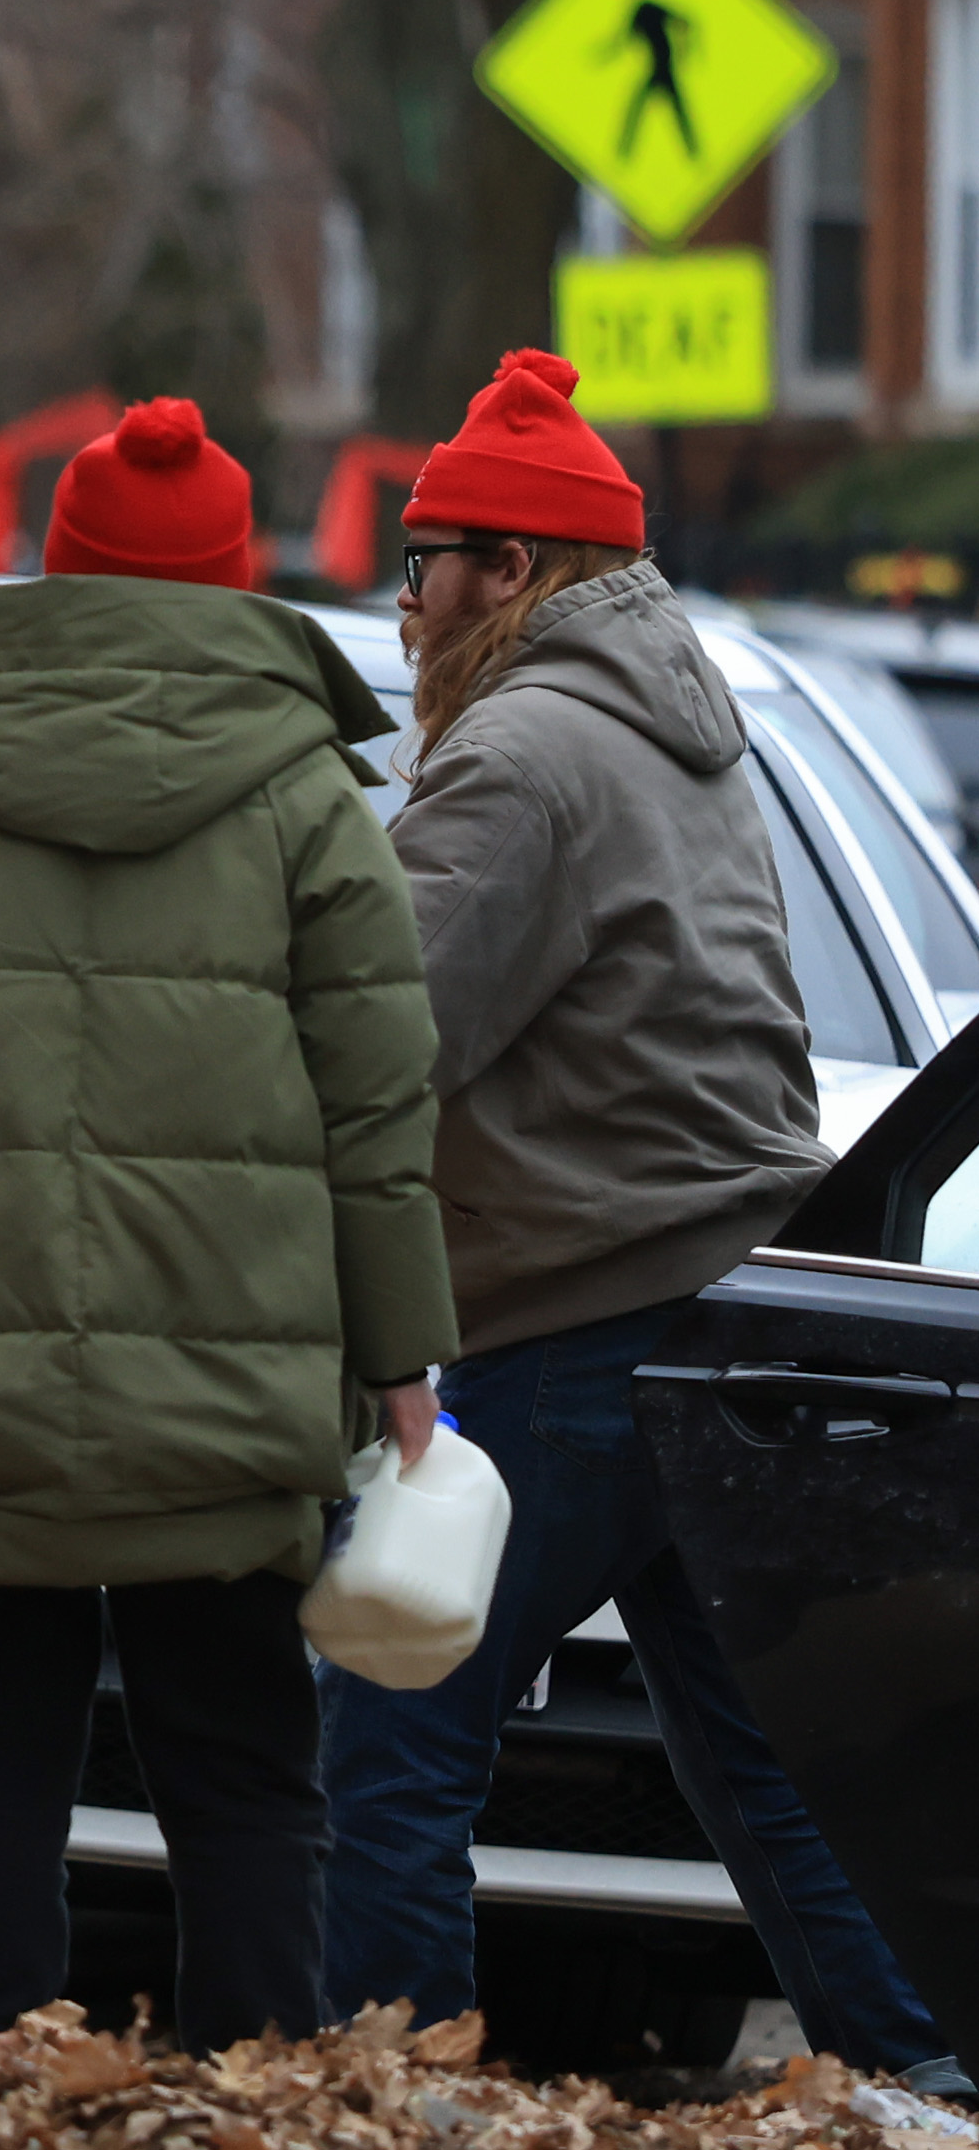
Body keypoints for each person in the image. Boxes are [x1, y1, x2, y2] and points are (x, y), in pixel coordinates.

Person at [0, 397, 451, 2052]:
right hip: (232, 1389)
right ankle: (254, 2088)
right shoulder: (307, 799)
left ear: (60, 573)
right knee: (249, 1773)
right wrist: (403, 1354)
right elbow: (377, 1104)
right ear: (234, 581)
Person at [323, 350, 959, 2087]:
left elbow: (378, 1043)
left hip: (563, 1318)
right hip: (726, 1309)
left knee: (388, 1733)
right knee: (769, 1762)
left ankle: (372, 2093)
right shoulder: (685, 735)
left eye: (427, 553)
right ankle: (920, 2089)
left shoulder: (522, 757)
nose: (402, 592)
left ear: (514, 570)